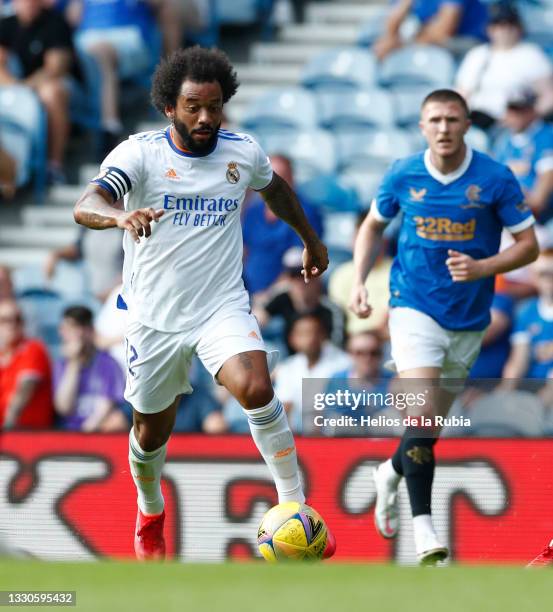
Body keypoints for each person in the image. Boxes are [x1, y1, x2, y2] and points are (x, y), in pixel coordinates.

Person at [72, 46, 333, 561]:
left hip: (220, 306)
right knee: (150, 434)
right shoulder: (139, 154)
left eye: (214, 106)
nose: (206, 117)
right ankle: (150, 511)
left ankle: (296, 507)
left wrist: (310, 238)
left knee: (257, 387)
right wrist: (119, 218)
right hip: (152, 318)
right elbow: (87, 203)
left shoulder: (241, 152)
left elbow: (275, 189)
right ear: (169, 106)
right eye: (193, 106)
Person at [349, 88, 539, 565]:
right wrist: (357, 282)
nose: (443, 128)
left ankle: (389, 473)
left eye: (452, 119)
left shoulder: (494, 178)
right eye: (434, 120)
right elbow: (373, 225)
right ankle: (425, 534)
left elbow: (530, 246)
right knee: (420, 417)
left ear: (466, 124)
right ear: (421, 126)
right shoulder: (403, 173)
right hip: (412, 305)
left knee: (427, 430)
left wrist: (484, 267)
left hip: (469, 318)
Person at [0, 0, 78, 183]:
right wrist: (14, 85)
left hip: (62, 85)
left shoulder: (55, 22)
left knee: (51, 93)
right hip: (22, 86)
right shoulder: (7, 24)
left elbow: (56, 68)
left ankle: (54, 165)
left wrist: (24, 86)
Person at [456, 3, 553, 130]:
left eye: (510, 23)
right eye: (499, 24)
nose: (505, 29)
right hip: (477, 122)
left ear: (519, 27)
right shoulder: (477, 55)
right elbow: (462, 94)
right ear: (489, 29)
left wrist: (530, 116)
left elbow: (549, 95)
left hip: (514, 125)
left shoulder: (531, 55)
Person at [242, 154, 323, 297]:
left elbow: (299, 267)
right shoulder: (254, 211)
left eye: (281, 178)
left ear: (292, 180)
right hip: (247, 292)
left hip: (285, 296)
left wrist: (267, 297)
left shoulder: (305, 214)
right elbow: (244, 252)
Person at [255, 246, 345, 353]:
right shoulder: (282, 297)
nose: (300, 281)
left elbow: (336, 348)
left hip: (323, 362)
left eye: (306, 274)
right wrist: (274, 290)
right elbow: (254, 323)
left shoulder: (331, 309)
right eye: (293, 275)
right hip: (290, 363)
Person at [274, 311, 351, 432]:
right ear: (292, 339)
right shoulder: (288, 367)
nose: (310, 338)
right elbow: (285, 407)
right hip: (299, 428)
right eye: (303, 334)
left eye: (314, 332)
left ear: (323, 335)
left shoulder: (343, 363)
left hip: (334, 425)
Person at [53, 305, 127, 431]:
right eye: (70, 329)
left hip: (97, 432)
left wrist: (83, 438)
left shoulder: (108, 364)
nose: (77, 335)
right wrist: (74, 363)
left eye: (79, 328)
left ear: (91, 330)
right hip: (66, 432)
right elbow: (64, 408)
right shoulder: (61, 364)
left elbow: (104, 409)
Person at [493, 88, 553, 224]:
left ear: (532, 110)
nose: (515, 115)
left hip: (539, 221)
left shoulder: (547, 137)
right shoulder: (503, 140)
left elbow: (538, 203)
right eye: (512, 109)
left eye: (521, 110)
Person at [0, 298, 53, 429]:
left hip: (27, 434)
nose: (12, 324)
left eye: (18, 319)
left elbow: (24, 391)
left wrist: (8, 426)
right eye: (6, 320)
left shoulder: (33, 348)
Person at [373, 0, 488, 61]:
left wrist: (404, 45)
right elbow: (390, 27)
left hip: (468, 42)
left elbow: (443, 31)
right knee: (382, 47)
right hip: (431, 40)